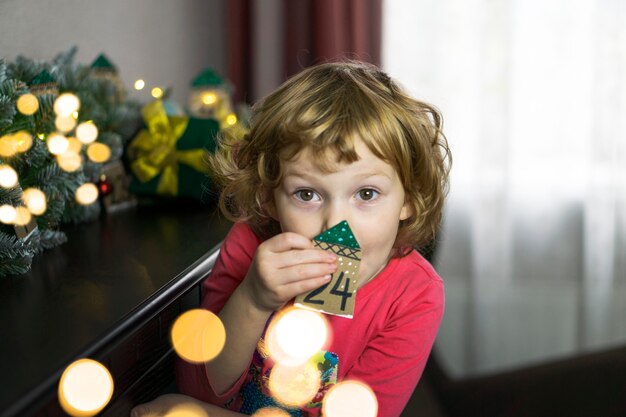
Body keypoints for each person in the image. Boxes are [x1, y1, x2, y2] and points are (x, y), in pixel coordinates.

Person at [131, 60, 451, 417]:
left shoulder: (415, 296)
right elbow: (200, 387)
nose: (335, 226)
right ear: (269, 198)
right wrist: (253, 299)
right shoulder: (247, 246)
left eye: (366, 194)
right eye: (307, 195)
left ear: (408, 199)